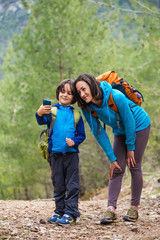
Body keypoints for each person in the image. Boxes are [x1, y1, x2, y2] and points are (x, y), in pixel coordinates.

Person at [74, 73, 150, 223]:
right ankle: (111, 209)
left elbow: (129, 121)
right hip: (120, 130)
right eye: (79, 92)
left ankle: (134, 208)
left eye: (84, 89)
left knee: (134, 165)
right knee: (116, 168)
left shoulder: (115, 96)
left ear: (91, 85)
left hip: (139, 124)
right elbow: (98, 132)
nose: (82, 94)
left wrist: (130, 148)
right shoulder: (86, 107)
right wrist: (111, 157)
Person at [35, 79, 86, 226]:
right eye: (63, 92)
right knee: (58, 185)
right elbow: (40, 120)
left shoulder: (76, 115)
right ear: (58, 93)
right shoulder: (51, 111)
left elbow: (82, 135)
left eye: (69, 93)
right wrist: (39, 112)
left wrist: (74, 141)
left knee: (72, 185)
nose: (65, 95)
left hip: (71, 155)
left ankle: (71, 213)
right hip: (55, 155)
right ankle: (59, 211)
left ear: (74, 98)